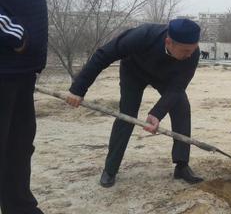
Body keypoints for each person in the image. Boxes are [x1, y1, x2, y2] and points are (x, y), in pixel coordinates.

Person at [66, 19, 203, 187]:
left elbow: (177, 87)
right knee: (127, 115)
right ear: (169, 42)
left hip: (166, 78)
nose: (190, 54)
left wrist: (156, 113)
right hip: (134, 72)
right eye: (186, 50)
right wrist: (78, 89)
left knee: (181, 107)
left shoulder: (192, 53)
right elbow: (104, 55)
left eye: (193, 49)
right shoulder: (142, 35)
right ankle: (110, 169)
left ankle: (181, 166)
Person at [0, 0, 48, 213]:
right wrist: (13, 33)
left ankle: (21, 207)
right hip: (3, 68)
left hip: (20, 72)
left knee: (18, 148)